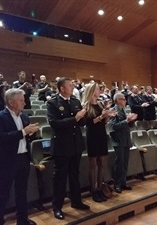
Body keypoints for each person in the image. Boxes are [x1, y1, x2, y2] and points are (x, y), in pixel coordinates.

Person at [0, 88, 39, 225]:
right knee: (3, 194)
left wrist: (32, 133)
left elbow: (26, 138)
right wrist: (23, 132)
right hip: (7, 161)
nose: (25, 103)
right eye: (21, 100)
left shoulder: (24, 116)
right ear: (11, 102)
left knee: (22, 191)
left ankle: (22, 220)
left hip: (23, 158)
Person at [47, 77, 90, 220]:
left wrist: (84, 115)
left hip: (75, 144)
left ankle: (76, 201)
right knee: (60, 177)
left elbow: (81, 123)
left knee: (74, 174)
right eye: (70, 85)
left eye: (73, 85)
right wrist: (76, 118)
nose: (73, 87)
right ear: (61, 88)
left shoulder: (75, 101)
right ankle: (57, 207)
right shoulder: (53, 102)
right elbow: (55, 124)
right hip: (61, 145)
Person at [81, 82, 117, 202]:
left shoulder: (100, 104)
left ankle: (100, 187)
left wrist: (107, 115)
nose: (99, 90)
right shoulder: (86, 105)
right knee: (93, 164)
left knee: (101, 162)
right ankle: (93, 190)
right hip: (92, 135)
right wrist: (101, 117)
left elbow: (104, 122)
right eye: (97, 89)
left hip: (101, 134)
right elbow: (88, 123)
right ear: (91, 91)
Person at [109, 93, 137, 193]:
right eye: (123, 99)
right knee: (119, 163)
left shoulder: (124, 110)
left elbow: (129, 125)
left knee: (125, 163)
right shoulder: (113, 111)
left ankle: (123, 182)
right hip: (118, 140)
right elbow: (113, 126)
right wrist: (126, 120)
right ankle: (117, 184)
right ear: (117, 100)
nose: (125, 101)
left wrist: (132, 120)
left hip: (125, 140)